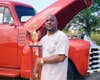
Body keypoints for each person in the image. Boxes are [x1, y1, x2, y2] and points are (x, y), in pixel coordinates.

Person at [33, 14, 69, 80]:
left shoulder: (61, 36)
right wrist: (35, 74)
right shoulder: (43, 40)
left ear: (57, 23)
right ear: (44, 24)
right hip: (45, 77)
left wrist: (41, 60)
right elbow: (38, 60)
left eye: (52, 20)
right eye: (47, 21)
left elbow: (61, 57)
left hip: (58, 77)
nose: (49, 22)